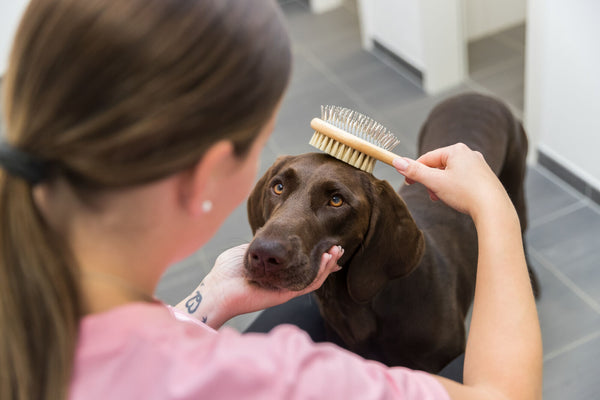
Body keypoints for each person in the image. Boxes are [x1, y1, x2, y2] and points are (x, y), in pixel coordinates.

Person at [0, 0, 542, 399]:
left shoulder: (32, 331)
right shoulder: (270, 380)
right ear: (207, 173)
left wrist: (207, 300)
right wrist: (494, 208)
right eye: (262, 150)